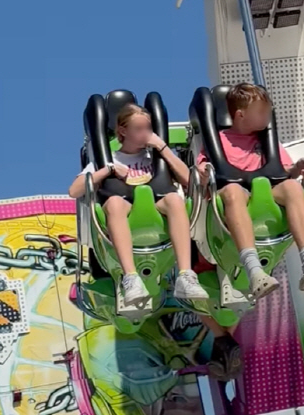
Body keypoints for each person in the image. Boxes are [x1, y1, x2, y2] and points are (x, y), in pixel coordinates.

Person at [197, 83, 304, 301]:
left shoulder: (267, 142)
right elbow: (206, 173)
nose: (267, 116)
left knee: (291, 187)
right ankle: (254, 270)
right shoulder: (218, 141)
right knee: (232, 190)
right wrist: (203, 173)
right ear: (241, 115)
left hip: (268, 195)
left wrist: (299, 169)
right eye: (262, 112)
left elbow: (284, 172)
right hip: (237, 199)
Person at [69, 104, 208, 311]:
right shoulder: (110, 158)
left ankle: (185, 275)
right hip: (126, 213)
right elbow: (74, 190)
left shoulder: (155, 158)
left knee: (175, 200)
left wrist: (162, 147)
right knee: (114, 203)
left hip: (157, 215)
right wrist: (107, 171)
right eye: (139, 129)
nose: (146, 134)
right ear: (123, 131)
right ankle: (130, 277)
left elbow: (189, 180)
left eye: (149, 128)